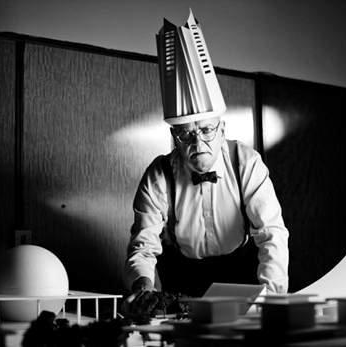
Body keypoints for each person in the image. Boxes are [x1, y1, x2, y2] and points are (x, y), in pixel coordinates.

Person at [123, 11, 289, 309]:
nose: (197, 142)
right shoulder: (159, 173)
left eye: (206, 130)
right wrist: (143, 284)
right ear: (175, 136)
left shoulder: (246, 161)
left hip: (240, 276)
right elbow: (144, 242)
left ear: (222, 128)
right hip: (182, 279)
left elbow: (271, 233)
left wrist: (272, 296)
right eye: (186, 134)